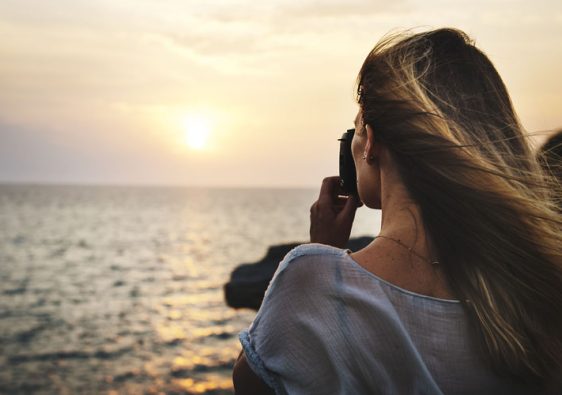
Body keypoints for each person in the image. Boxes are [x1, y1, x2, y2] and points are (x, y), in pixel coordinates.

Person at [233, 28, 562, 394]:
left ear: (370, 142)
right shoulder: (541, 289)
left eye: (356, 128)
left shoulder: (311, 278)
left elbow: (252, 384)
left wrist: (323, 251)